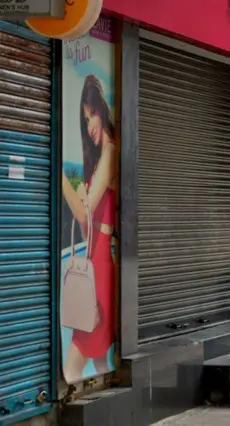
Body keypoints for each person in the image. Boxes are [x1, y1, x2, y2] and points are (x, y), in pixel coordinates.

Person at [61, 74, 116, 381]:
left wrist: (64, 180)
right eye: (85, 119)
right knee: (99, 364)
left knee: (73, 366)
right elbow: (86, 226)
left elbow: (85, 211)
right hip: (94, 272)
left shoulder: (109, 154)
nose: (89, 125)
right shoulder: (98, 162)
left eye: (92, 114)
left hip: (98, 277)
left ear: (102, 111)